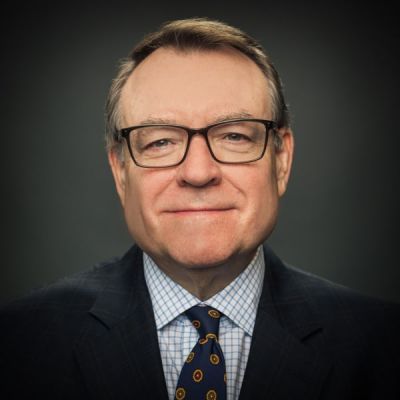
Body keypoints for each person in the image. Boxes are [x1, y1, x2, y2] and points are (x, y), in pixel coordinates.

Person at [1, 17, 399, 400]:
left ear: (281, 161)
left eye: (234, 136)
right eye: (160, 142)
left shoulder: (383, 345)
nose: (198, 172)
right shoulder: (18, 344)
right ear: (121, 171)